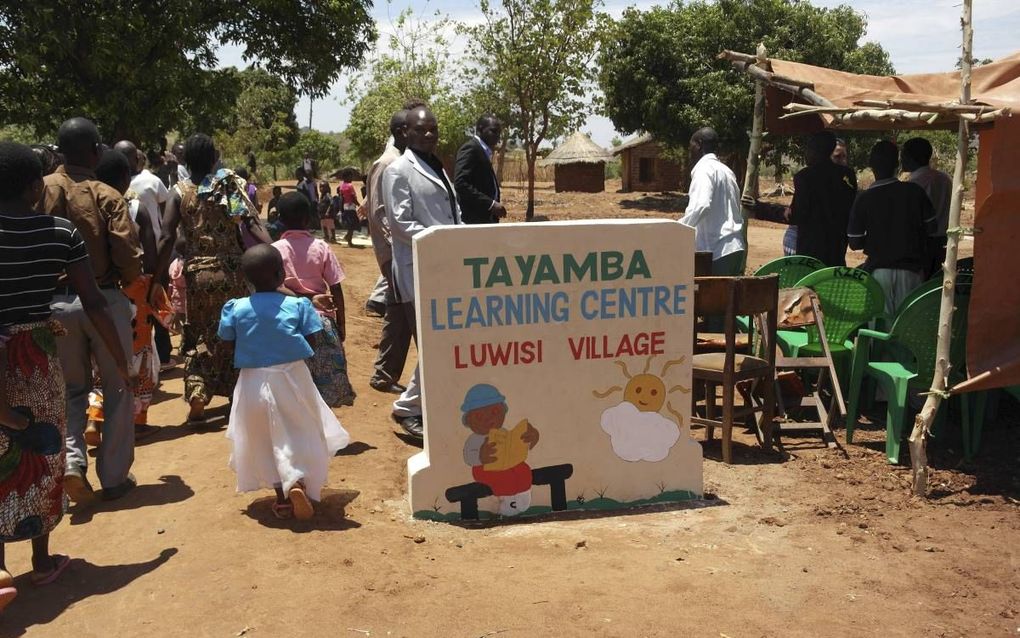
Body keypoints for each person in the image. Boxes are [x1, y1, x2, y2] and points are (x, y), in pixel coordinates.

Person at [0, 142, 134, 607]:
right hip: (35, 351)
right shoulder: (59, 234)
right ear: (35, 186)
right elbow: (94, 301)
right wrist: (120, 358)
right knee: (43, 449)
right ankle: (41, 559)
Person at [36, 118, 143, 503]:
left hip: (50, 303)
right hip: (104, 298)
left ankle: (71, 463)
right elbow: (128, 256)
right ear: (97, 151)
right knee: (118, 385)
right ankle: (114, 478)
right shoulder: (107, 195)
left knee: (69, 388)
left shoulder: (37, 189)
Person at [218, 244, 350, 520]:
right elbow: (312, 340)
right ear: (281, 274)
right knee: (301, 431)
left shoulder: (235, 308)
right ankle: (298, 480)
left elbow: (227, 343)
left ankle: (282, 498)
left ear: (246, 279)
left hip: (252, 380)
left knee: (263, 439)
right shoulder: (298, 305)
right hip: (292, 376)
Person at [152, 134, 272, 425]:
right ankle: (236, 395)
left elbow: (167, 235)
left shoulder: (179, 191)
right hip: (232, 272)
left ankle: (197, 393)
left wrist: (157, 277)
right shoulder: (229, 184)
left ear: (185, 160)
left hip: (198, 275)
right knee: (236, 332)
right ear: (214, 158)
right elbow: (252, 223)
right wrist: (274, 251)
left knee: (200, 334)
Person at [383, 107, 462, 439]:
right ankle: (408, 409)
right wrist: (443, 241)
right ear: (405, 133)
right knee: (435, 343)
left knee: (445, 341)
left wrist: (463, 239)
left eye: (434, 129)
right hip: (421, 267)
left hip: (447, 266)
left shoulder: (437, 166)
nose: (429, 135)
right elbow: (401, 225)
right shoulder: (398, 171)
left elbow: (450, 214)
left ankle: (425, 404)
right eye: (421, 130)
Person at [85, 150, 164, 444]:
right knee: (140, 357)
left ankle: (94, 416)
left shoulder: (81, 203)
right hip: (133, 293)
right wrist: (155, 284)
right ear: (124, 178)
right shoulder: (133, 206)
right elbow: (151, 252)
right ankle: (137, 421)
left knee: (101, 359)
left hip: (95, 292)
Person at [272, 192, 356, 407]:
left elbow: (272, 288)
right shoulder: (321, 247)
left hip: (287, 322)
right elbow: (336, 288)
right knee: (325, 378)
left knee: (294, 382)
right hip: (320, 322)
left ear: (279, 218)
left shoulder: (274, 251)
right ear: (308, 217)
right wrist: (341, 324)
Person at [847, 140, 937, 315]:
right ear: (897, 164)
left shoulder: (864, 199)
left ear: (871, 165)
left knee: (879, 327)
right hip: (912, 272)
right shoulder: (914, 192)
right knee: (908, 326)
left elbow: (854, 242)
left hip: (879, 273)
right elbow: (932, 228)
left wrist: (880, 236)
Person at [366, 110, 414, 394]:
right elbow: (378, 212)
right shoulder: (387, 163)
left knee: (399, 314)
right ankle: (383, 374)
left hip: (403, 254)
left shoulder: (404, 161)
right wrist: (394, 253)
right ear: (400, 132)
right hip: (396, 254)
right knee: (401, 312)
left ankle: (384, 374)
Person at [679, 127, 746, 275]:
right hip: (735, 247)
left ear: (699, 144)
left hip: (716, 250)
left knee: (711, 297)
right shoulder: (726, 171)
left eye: (691, 146)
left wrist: (677, 231)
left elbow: (701, 205)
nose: (690, 151)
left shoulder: (704, 169)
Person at [788, 131, 858, 267]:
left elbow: (797, 215)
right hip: (837, 249)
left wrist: (763, 209)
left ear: (815, 151)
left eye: (808, 149)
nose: (806, 153)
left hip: (810, 252)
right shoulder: (847, 175)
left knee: (809, 287)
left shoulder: (805, 177)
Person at [902, 137, 952, 278]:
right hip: (942, 242)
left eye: (904, 155)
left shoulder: (915, 184)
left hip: (922, 244)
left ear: (912, 157)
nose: (901, 160)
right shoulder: (945, 178)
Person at [454, 115, 507, 224]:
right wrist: (490, 204)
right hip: (474, 219)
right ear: (480, 129)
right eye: (493, 131)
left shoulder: (483, 150)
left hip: (485, 218)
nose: (497, 136)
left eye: (499, 133)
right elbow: (461, 183)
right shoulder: (471, 148)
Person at [339, 175, 360, 247]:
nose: (351, 178)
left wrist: (341, 208)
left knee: (350, 224)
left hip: (345, 206)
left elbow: (341, 198)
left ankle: (348, 238)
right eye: (350, 177)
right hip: (351, 206)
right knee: (353, 224)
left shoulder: (341, 186)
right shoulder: (350, 186)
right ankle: (349, 239)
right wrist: (358, 204)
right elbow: (353, 197)